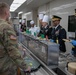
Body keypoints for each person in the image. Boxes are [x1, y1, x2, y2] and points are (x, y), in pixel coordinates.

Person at [0, 2, 30, 75]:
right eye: (9, 11)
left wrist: (18, 46)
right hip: (6, 68)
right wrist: (25, 66)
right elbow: (12, 50)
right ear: (7, 12)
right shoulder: (5, 27)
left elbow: (3, 43)